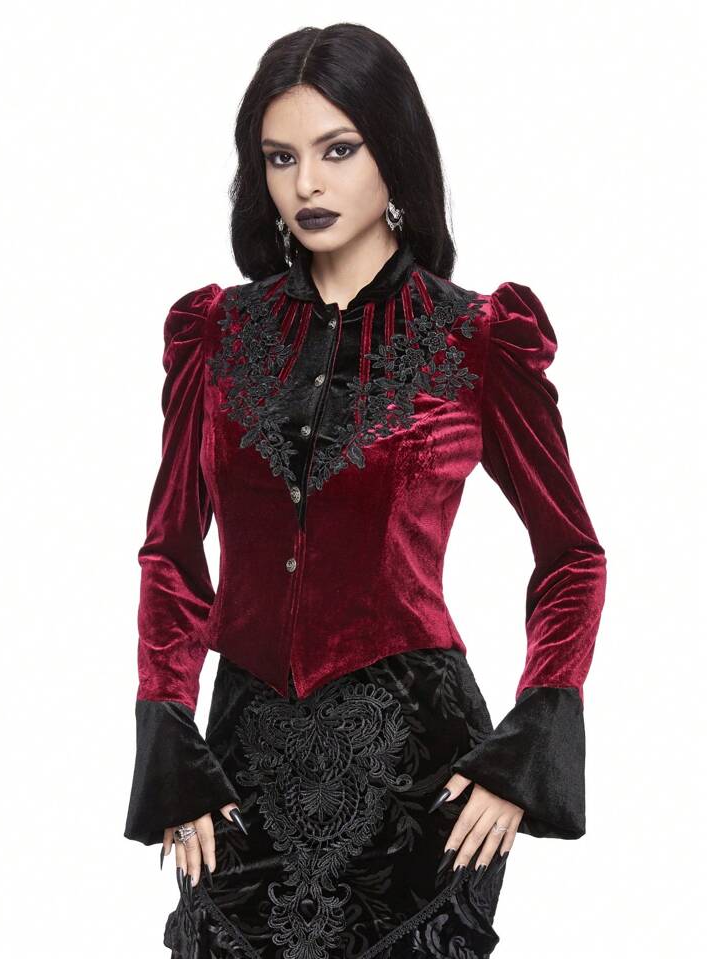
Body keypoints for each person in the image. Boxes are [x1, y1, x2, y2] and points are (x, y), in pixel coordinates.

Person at [124, 22, 607, 959]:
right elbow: (172, 557)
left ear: (395, 153)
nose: (306, 183)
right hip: (237, 767)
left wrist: (531, 744)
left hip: (421, 775)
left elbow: (572, 557)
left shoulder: (477, 339)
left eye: (337, 150)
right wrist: (166, 732)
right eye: (281, 157)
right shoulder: (217, 334)